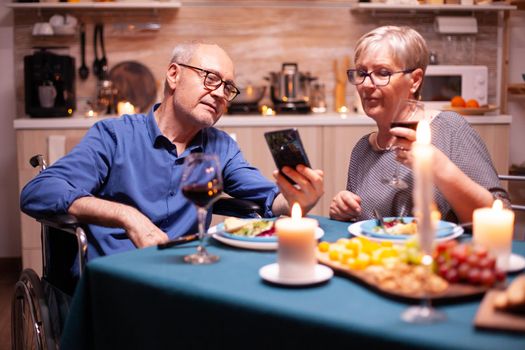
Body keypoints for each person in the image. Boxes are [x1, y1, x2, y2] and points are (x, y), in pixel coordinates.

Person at [21, 42, 324, 261]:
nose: (219, 93)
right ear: (174, 75)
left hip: (185, 273)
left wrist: (299, 198)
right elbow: (39, 191)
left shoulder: (221, 147)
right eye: (210, 78)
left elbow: (271, 200)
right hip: (116, 277)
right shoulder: (114, 136)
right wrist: (127, 216)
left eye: (228, 87)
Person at [329, 26, 508, 224]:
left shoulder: (450, 129)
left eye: (382, 72)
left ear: (414, 80)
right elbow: (364, 225)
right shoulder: (363, 149)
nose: (366, 84)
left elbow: (498, 213)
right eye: (362, 72)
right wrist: (343, 210)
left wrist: (438, 167)